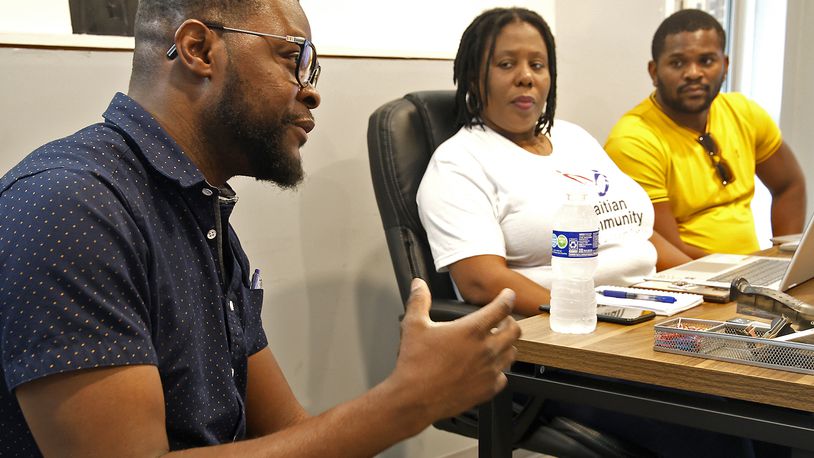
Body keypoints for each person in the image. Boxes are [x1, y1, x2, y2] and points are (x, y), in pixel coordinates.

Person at [0, 0, 522, 455]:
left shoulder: (201, 215)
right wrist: (408, 403)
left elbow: (292, 431)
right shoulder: (71, 205)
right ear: (199, 49)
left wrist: (408, 399)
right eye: (294, 59)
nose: (310, 92)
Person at [417, 7, 691, 317]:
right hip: (574, 328)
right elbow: (481, 281)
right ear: (472, 76)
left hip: (656, 307)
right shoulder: (458, 164)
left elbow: (634, 232)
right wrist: (588, 316)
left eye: (537, 65)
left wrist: (704, 281)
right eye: (506, 65)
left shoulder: (573, 137)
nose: (526, 77)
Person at [605, 9, 806, 259]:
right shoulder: (633, 140)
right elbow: (667, 250)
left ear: (725, 65)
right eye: (677, 63)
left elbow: (789, 185)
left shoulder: (744, 111)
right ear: (654, 72)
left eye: (706, 61)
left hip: (752, 272)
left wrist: (783, 259)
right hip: (689, 282)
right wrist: (743, 276)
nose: (693, 73)